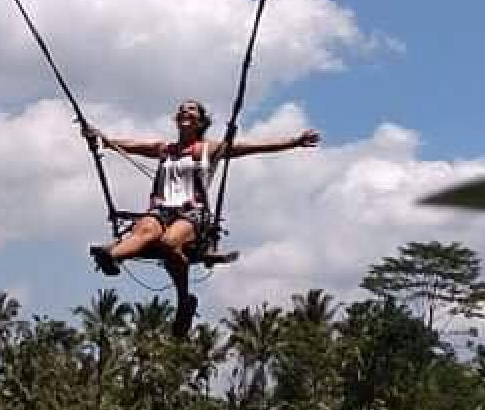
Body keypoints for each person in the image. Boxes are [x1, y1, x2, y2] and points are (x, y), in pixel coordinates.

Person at [85, 100, 319, 336]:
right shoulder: (164, 149)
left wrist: (294, 141)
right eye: (182, 109)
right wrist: (100, 138)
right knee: (144, 232)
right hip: (161, 209)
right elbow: (126, 145)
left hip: (193, 213)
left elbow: (255, 147)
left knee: (168, 243)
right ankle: (110, 257)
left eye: (192, 109)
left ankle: (183, 300)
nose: (185, 111)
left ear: (200, 121)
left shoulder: (211, 149)